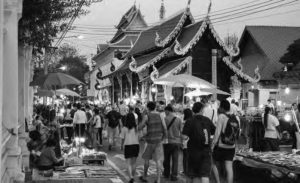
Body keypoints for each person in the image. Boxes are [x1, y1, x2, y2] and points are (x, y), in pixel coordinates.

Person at [182, 102, 215, 183]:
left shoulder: (189, 120)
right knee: (204, 175)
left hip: (193, 151)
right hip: (206, 151)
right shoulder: (207, 120)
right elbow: (214, 132)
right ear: (201, 109)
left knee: (193, 174)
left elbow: (184, 137)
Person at [212, 100, 240, 183]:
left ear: (222, 107)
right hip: (231, 147)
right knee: (229, 168)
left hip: (221, 146)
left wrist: (212, 145)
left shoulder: (221, 116)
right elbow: (237, 133)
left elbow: (217, 133)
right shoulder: (236, 117)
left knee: (213, 164)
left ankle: (218, 182)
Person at [139, 101, 167, 183]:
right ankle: (158, 180)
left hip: (149, 141)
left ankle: (144, 176)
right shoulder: (160, 115)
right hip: (158, 140)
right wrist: (164, 137)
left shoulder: (147, 116)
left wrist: (143, 115)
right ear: (155, 107)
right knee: (158, 160)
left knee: (146, 159)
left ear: (148, 108)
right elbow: (165, 128)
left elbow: (140, 127)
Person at [163, 105, 183, 181]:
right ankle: (174, 176)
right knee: (175, 160)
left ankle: (166, 174)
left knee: (167, 159)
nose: (164, 113)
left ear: (168, 111)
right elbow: (181, 131)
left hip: (167, 142)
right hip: (177, 142)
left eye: (165, 111)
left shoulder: (165, 119)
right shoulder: (179, 119)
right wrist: (181, 142)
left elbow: (163, 131)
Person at [120, 111, 140, 183]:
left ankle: (130, 177)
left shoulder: (124, 128)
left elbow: (122, 138)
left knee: (128, 163)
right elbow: (139, 137)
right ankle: (133, 176)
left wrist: (121, 146)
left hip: (128, 145)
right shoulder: (136, 127)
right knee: (134, 163)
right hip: (136, 145)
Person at [182, 108, 193, 175]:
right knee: (190, 157)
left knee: (185, 157)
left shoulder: (185, 122)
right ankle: (189, 170)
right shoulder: (193, 121)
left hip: (186, 141)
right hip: (192, 142)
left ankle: (185, 171)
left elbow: (183, 133)